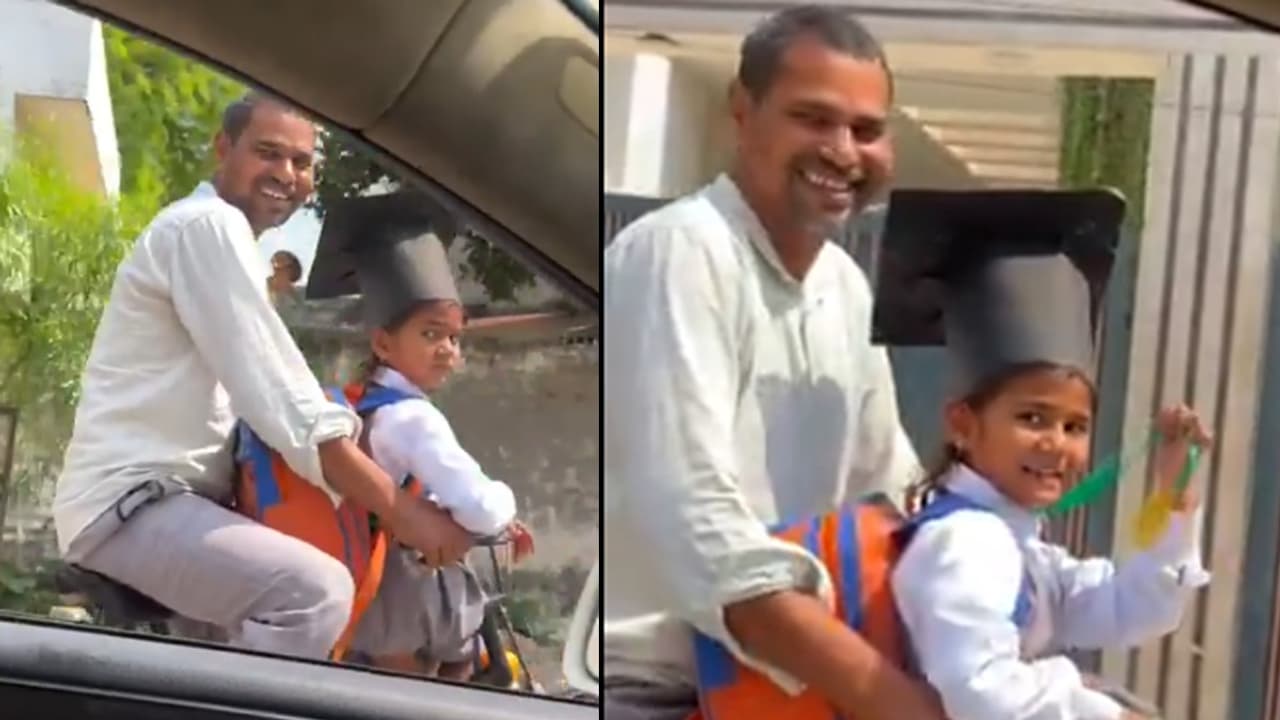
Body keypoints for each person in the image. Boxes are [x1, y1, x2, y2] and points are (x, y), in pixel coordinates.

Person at [603, 6, 941, 719]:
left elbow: (888, 494)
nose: (845, 151)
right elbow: (703, 531)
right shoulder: (680, 253)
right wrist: (897, 700)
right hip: (656, 694)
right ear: (742, 108)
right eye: (813, 119)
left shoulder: (843, 289)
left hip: (785, 694)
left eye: (868, 130)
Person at [52, 92, 474, 660]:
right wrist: (403, 513)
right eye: (268, 153)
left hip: (177, 504)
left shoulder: (229, 244)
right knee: (313, 595)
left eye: (301, 163)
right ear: (224, 148)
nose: (286, 174)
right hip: (132, 504)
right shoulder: (206, 227)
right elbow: (283, 399)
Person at [878, 190, 1211, 719]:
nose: (1056, 442)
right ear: (962, 423)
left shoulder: (1019, 547)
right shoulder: (967, 542)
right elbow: (982, 694)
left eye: (1074, 425)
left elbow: (1131, 608)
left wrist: (1174, 498)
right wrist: (1104, 711)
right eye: (1031, 418)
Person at [304, 192, 534, 679]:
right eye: (431, 334)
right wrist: (507, 506)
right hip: (414, 596)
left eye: (454, 337)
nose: (448, 350)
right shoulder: (414, 419)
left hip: (366, 591)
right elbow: (480, 507)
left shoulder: (360, 405)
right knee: (457, 679)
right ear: (383, 342)